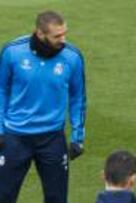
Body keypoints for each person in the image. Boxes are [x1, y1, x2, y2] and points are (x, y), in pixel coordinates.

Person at [0, 10, 86, 203]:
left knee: (57, 198)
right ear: (40, 33)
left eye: (65, 33)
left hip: (52, 138)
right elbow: (1, 90)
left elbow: (78, 97)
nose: (63, 40)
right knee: (4, 196)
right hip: (15, 137)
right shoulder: (12, 52)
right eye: (57, 36)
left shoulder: (72, 57)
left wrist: (77, 137)